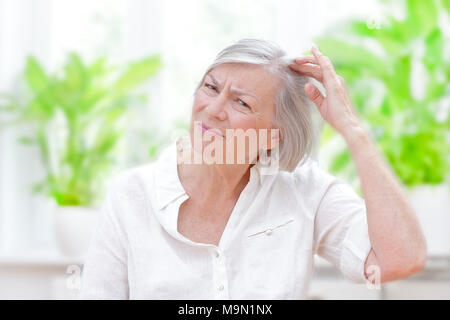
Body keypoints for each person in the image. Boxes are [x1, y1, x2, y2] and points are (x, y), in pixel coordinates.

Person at [79, 38, 427, 299]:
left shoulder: (304, 190)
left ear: (273, 135)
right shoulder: (131, 196)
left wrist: (353, 130)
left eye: (241, 102)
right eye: (210, 87)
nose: (213, 109)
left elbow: (399, 260)